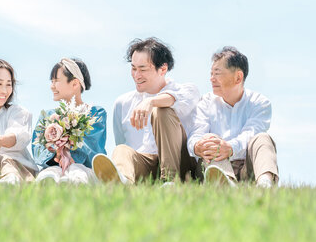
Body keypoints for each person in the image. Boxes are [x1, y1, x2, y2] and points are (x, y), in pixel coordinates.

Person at [93, 38, 199, 184]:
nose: (136, 75)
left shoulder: (188, 90)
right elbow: (121, 141)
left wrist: (150, 101)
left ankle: (169, 181)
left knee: (162, 111)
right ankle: (124, 182)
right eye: (133, 68)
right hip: (146, 163)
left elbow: (175, 99)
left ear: (163, 69)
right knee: (122, 150)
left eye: (142, 69)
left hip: (181, 164)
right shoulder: (122, 103)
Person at [187, 47, 279, 187]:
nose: (211, 79)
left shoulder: (260, 103)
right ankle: (225, 182)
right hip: (214, 166)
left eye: (217, 73)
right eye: (211, 73)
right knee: (210, 141)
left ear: (238, 77)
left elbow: (250, 133)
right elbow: (196, 133)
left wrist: (230, 148)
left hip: (247, 169)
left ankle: (264, 185)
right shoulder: (205, 102)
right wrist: (196, 146)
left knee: (263, 138)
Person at [32, 58, 107, 184]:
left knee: (77, 172)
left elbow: (94, 150)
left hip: (84, 168)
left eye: (56, 81)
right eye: (51, 81)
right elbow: (38, 149)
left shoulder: (95, 113)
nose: (52, 86)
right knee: (49, 174)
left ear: (75, 84)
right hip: (53, 165)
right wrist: (55, 155)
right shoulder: (48, 116)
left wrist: (66, 149)